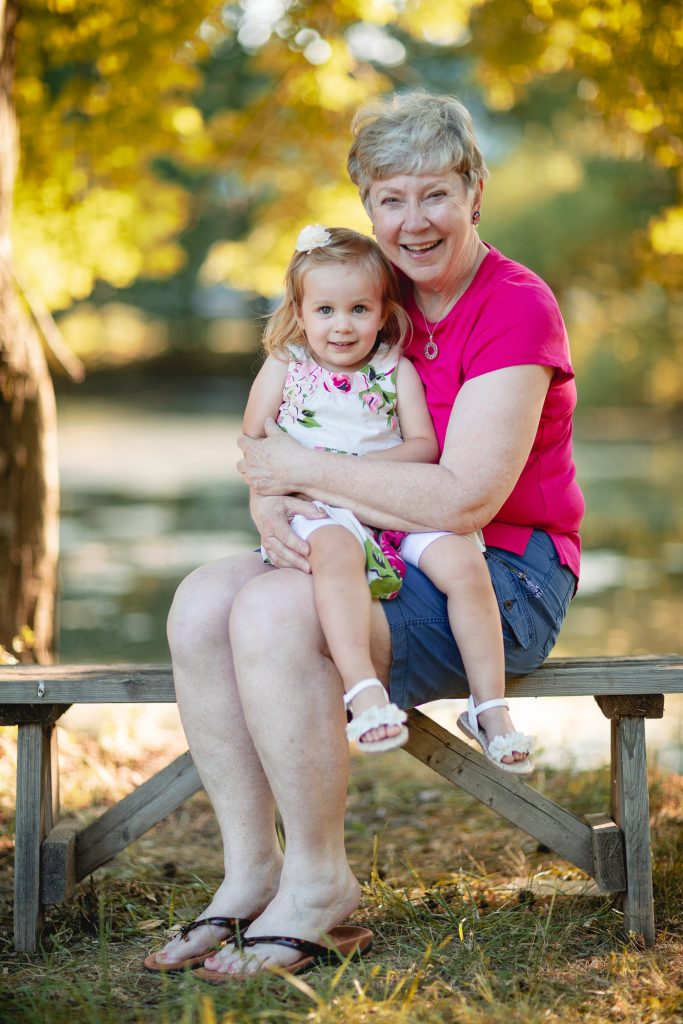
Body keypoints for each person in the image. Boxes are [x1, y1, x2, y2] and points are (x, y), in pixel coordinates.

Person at [147, 90, 583, 979]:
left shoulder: (512, 309)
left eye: (434, 195)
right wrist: (271, 506)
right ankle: (249, 871)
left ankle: (319, 882)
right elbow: (267, 434)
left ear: (474, 192)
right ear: (366, 206)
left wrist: (295, 475)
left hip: (499, 579)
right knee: (200, 604)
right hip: (376, 546)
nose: (412, 220)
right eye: (390, 197)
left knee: (273, 615)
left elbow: (462, 500)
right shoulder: (363, 297)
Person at [242, 223, 533, 766]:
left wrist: (349, 470)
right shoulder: (288, 366)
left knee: (466, 566)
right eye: (324, 310)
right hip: (322, 510)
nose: (343, 325)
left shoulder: (394, 370)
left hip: (396, 503)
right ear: (299, 313)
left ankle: (489, 708)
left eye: (359, 309)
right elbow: (254, 438)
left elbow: (423, 446)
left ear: (383, 313)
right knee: (336, 553)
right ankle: (364, 692)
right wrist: (280, 493)